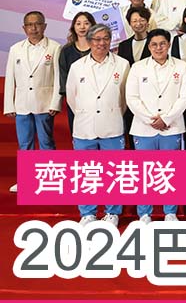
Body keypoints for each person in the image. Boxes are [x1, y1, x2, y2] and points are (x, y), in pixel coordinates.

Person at [65, 24, 128, 224]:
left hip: (112, 125)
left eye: (106, 39)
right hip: (84, 126)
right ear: (90, 41)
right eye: (97, 39)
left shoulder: (122, 65)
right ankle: (88, 213)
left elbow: (124, 99)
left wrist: (112, 112)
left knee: (113, 172)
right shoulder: (77, 66)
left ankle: (112, 212)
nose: (102, 43)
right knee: (85, 173)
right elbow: (71, 97)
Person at [126, 28, 186, 222]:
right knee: (145, 172)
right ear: (148, 46)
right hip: (144, 128)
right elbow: (132, 98)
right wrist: (150, 120)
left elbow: (184, 97)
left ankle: (170, 212)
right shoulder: (138, 68)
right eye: (154, 44)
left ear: (169, 44)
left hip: (172, 127)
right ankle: (145, 213)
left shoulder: (181, 66)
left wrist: (167, 119)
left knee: (171, 170)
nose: (158, 48)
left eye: (162, 44)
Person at [4, 11, 61, 193]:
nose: (33, 28)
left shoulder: (54, 47)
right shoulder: (15, 49)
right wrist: (9, 104)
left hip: (44, 104)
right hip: (22, 104)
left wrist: (55, 102)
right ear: (24, 28)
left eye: (37, 24)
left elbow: (58, 78)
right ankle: (26, 180)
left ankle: (50, 180)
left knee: (46, 142)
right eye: (29, 24)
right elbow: (10, 78)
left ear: (44, 26)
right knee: (25, 144)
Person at [59, 11, 96, 136]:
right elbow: (63, 76)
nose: (82, 27)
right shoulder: (66, 50)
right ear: (73, 27)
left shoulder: (99, 48)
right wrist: (70, 98)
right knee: (79, 134)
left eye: (86, 23)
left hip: (97, 99)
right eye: (78, 24)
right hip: (75, 100)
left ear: (92, 26)